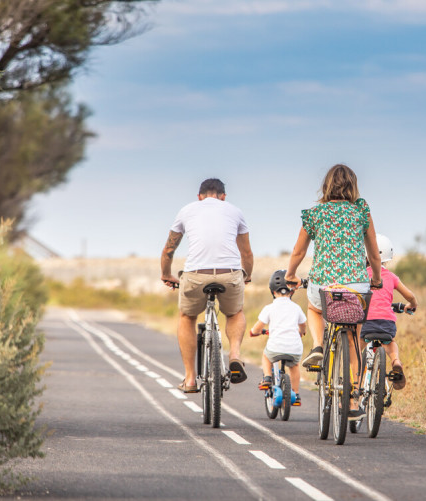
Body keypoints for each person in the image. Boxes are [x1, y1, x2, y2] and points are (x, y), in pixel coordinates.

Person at [284, 164, 382, 418]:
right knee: (355, 338)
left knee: (315, 309)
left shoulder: (315, 214)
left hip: (323, 285)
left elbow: (298, 251)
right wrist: (378, 279)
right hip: (357, 286)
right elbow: (373, 253)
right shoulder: (361, 212)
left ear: (326, 186)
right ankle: (353, 400)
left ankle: (317, 345)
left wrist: (290, 274)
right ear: (353, 186)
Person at [160, 178, 254, 393]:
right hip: (229, 274)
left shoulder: (186, 210)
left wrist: (166, 274)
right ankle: (235, 356)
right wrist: (246, 276)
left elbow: (168, 250)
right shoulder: (235, 211)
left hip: (195, 276)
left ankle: (190, 379)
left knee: (187, 316)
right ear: (223, 197)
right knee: (235, 312)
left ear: (199, 197)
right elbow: (246, 253)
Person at [359, 233, 418, 391]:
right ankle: (396, 361)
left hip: (366, 322)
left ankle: (355, 381)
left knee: (356, 349)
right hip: (387, 323)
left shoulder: (362, 275)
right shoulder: (391, 277)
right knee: (390, 343)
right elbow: (410, 296)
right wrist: (411, 304)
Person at [249, 270, 307, 406]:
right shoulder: (296, 307)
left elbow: (257, 328)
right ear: (292, 292)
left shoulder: (269, 308)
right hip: (294, 347)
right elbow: (303, 326)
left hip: (275, 347)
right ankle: (296, 394)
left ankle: (268, 378)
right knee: (294, 366)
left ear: (273, 292)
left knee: (266, 356)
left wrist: (254, 332)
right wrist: (301, 332)